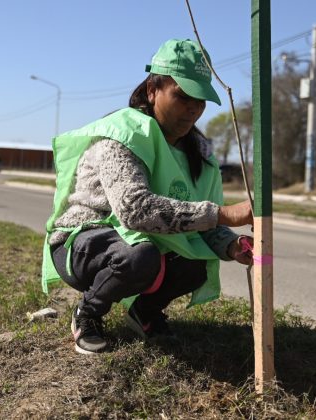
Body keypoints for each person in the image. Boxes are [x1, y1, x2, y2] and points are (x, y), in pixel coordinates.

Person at [42, 39, 254, 355]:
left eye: (201, 101)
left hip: (140, 242)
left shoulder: (198, 152)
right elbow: (134, 210)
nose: (193, 108)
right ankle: (88, 313)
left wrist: (231, 245)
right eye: (182, 96)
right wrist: (224, 213)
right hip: (83, 243)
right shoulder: (123, 134)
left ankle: (144, 311)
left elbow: (201, 222)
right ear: (152, 90)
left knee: (195, 263)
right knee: (139, 257)